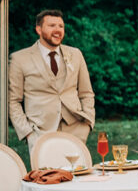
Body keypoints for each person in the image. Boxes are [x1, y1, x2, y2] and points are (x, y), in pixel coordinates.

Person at [9, 9, 95, 152]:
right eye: (52, 25)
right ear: (38, 29)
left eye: (61, 26)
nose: (57, 30)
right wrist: (28, 133)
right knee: (45, 174)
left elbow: (86, 93)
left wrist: (88, 123)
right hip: (40, 132)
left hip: (76, 130)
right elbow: (13, 101)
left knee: (79, 173)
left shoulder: (75, 54)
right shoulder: (19, 59)